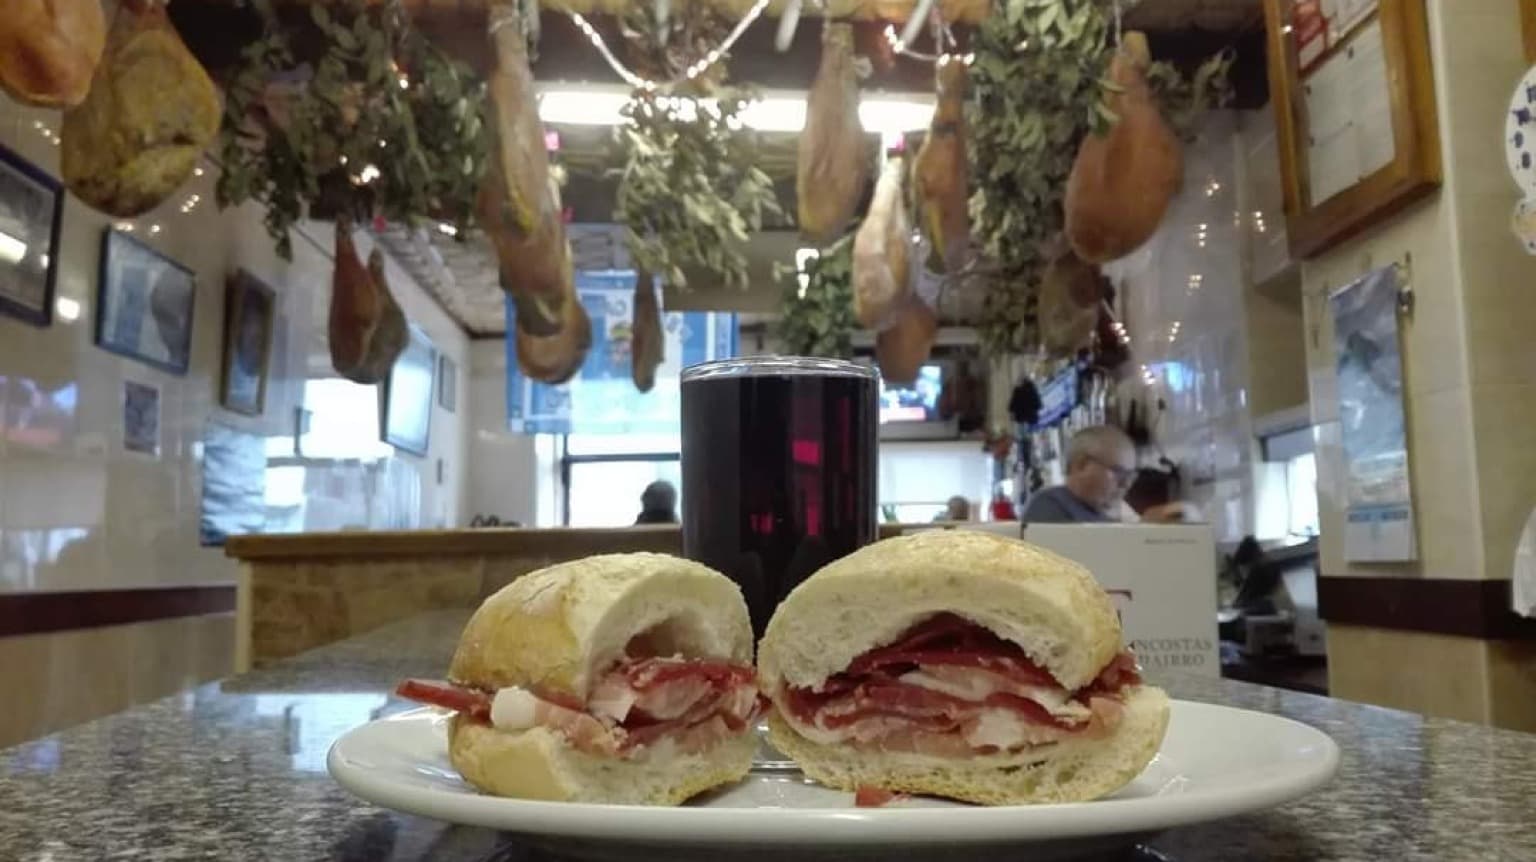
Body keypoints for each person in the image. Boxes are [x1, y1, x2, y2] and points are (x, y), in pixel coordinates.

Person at [1021, 425, 1139, 524]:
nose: (1125, 484)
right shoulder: (1048, 507)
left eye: (1130, 476)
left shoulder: (1101, 514)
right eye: (1118, 472)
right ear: (1082, 465)